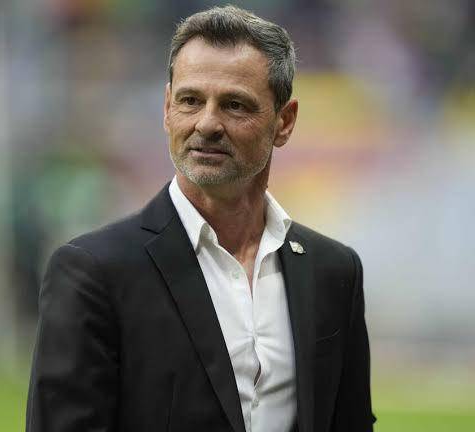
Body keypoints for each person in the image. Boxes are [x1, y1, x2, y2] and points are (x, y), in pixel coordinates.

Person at [26, 5, 375, 432]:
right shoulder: (93, 273)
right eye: (190, 101)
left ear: (284, 122)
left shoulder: (333, 271)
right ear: (166, 109)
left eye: (234, 105)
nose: (207, 124)